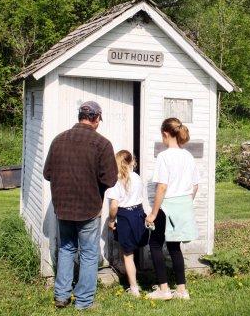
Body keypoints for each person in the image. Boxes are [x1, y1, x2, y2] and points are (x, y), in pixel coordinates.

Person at [43, 101, 118, 310]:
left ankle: (61, 296)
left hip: (63, 208)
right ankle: (84, 301)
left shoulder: (58, 140)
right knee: (88, 253)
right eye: (98, 120)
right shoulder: (102, 144)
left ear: (80, 117)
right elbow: (110, 180)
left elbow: (47, 173)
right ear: (95, 119)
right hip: (89, 208)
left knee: (66, 249)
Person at [145, 117, 199, 300]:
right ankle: (182, 290)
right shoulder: (188, 156)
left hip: (166, 206)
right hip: (183, 204)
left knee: (155, 244)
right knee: (175, 247)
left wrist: (153, 213)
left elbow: (162, 187)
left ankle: (164, 289)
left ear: (165, 134)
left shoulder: (164, 156)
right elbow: (195, 186)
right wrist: (185, 203)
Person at [106, 150, 148, 297]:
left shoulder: (115, 181)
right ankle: (140, 278)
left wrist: (111, 220)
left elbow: (114, 206)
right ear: (132, 162)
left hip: (125, 216)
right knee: (136, 247)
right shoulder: (137, 177)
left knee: (128, 254)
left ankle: (134, 287)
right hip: (138, 213)